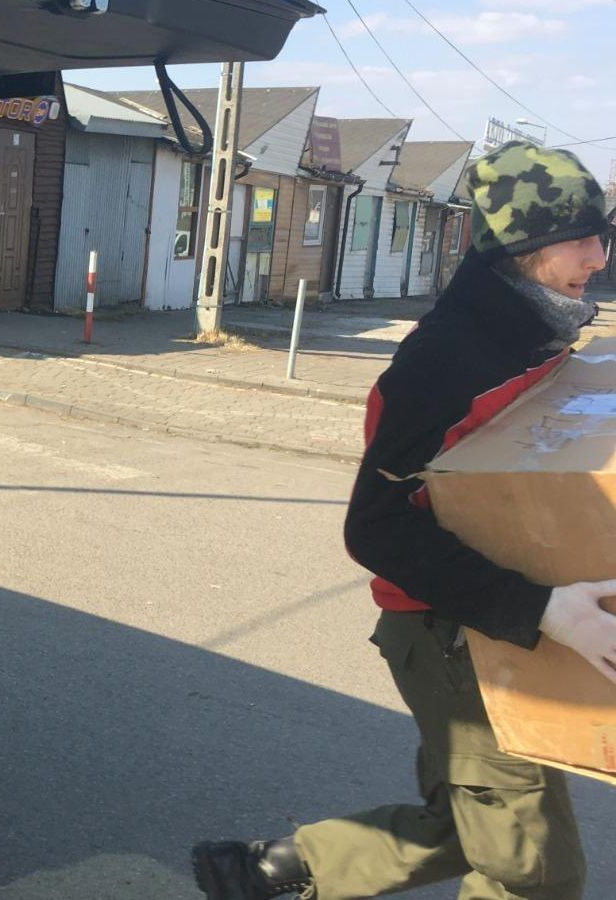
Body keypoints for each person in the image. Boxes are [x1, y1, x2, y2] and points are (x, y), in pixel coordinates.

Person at [191, 141, 616, 900]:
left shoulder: (537, 331)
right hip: (452, 634)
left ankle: (267, 870)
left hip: (494, 621)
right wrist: (542, 609)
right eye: (580, 239)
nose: (599, 257)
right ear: (520, 247)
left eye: (602, 236)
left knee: (470, 824)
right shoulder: (447, 358)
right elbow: (376, 528)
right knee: (532, 872)